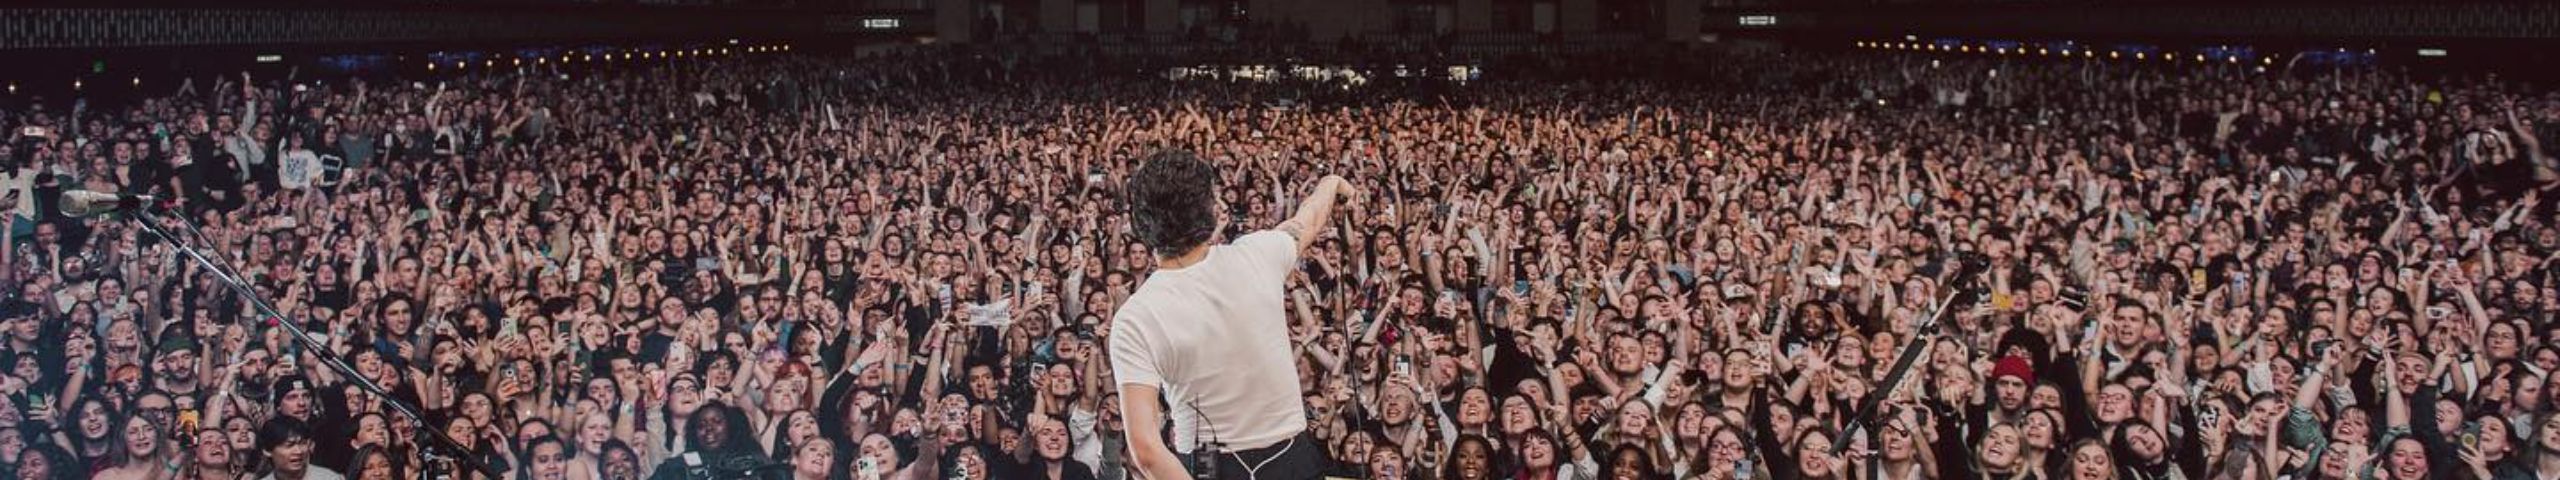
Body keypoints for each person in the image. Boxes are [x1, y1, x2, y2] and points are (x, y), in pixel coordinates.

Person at [1110, 150, 1358, 480]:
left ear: (1140, 223)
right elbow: (1307, 220)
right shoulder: (1259, 254)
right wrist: (1332, 183)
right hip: (1290, 460)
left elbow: (1146, 451)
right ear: (1211, 211)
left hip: (1207, 466)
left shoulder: (1134, 317)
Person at [259, 416, 343, 480]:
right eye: (289, 445)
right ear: (267, 451)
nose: (298, 451)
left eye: (302, 444)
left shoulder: (329, 478)